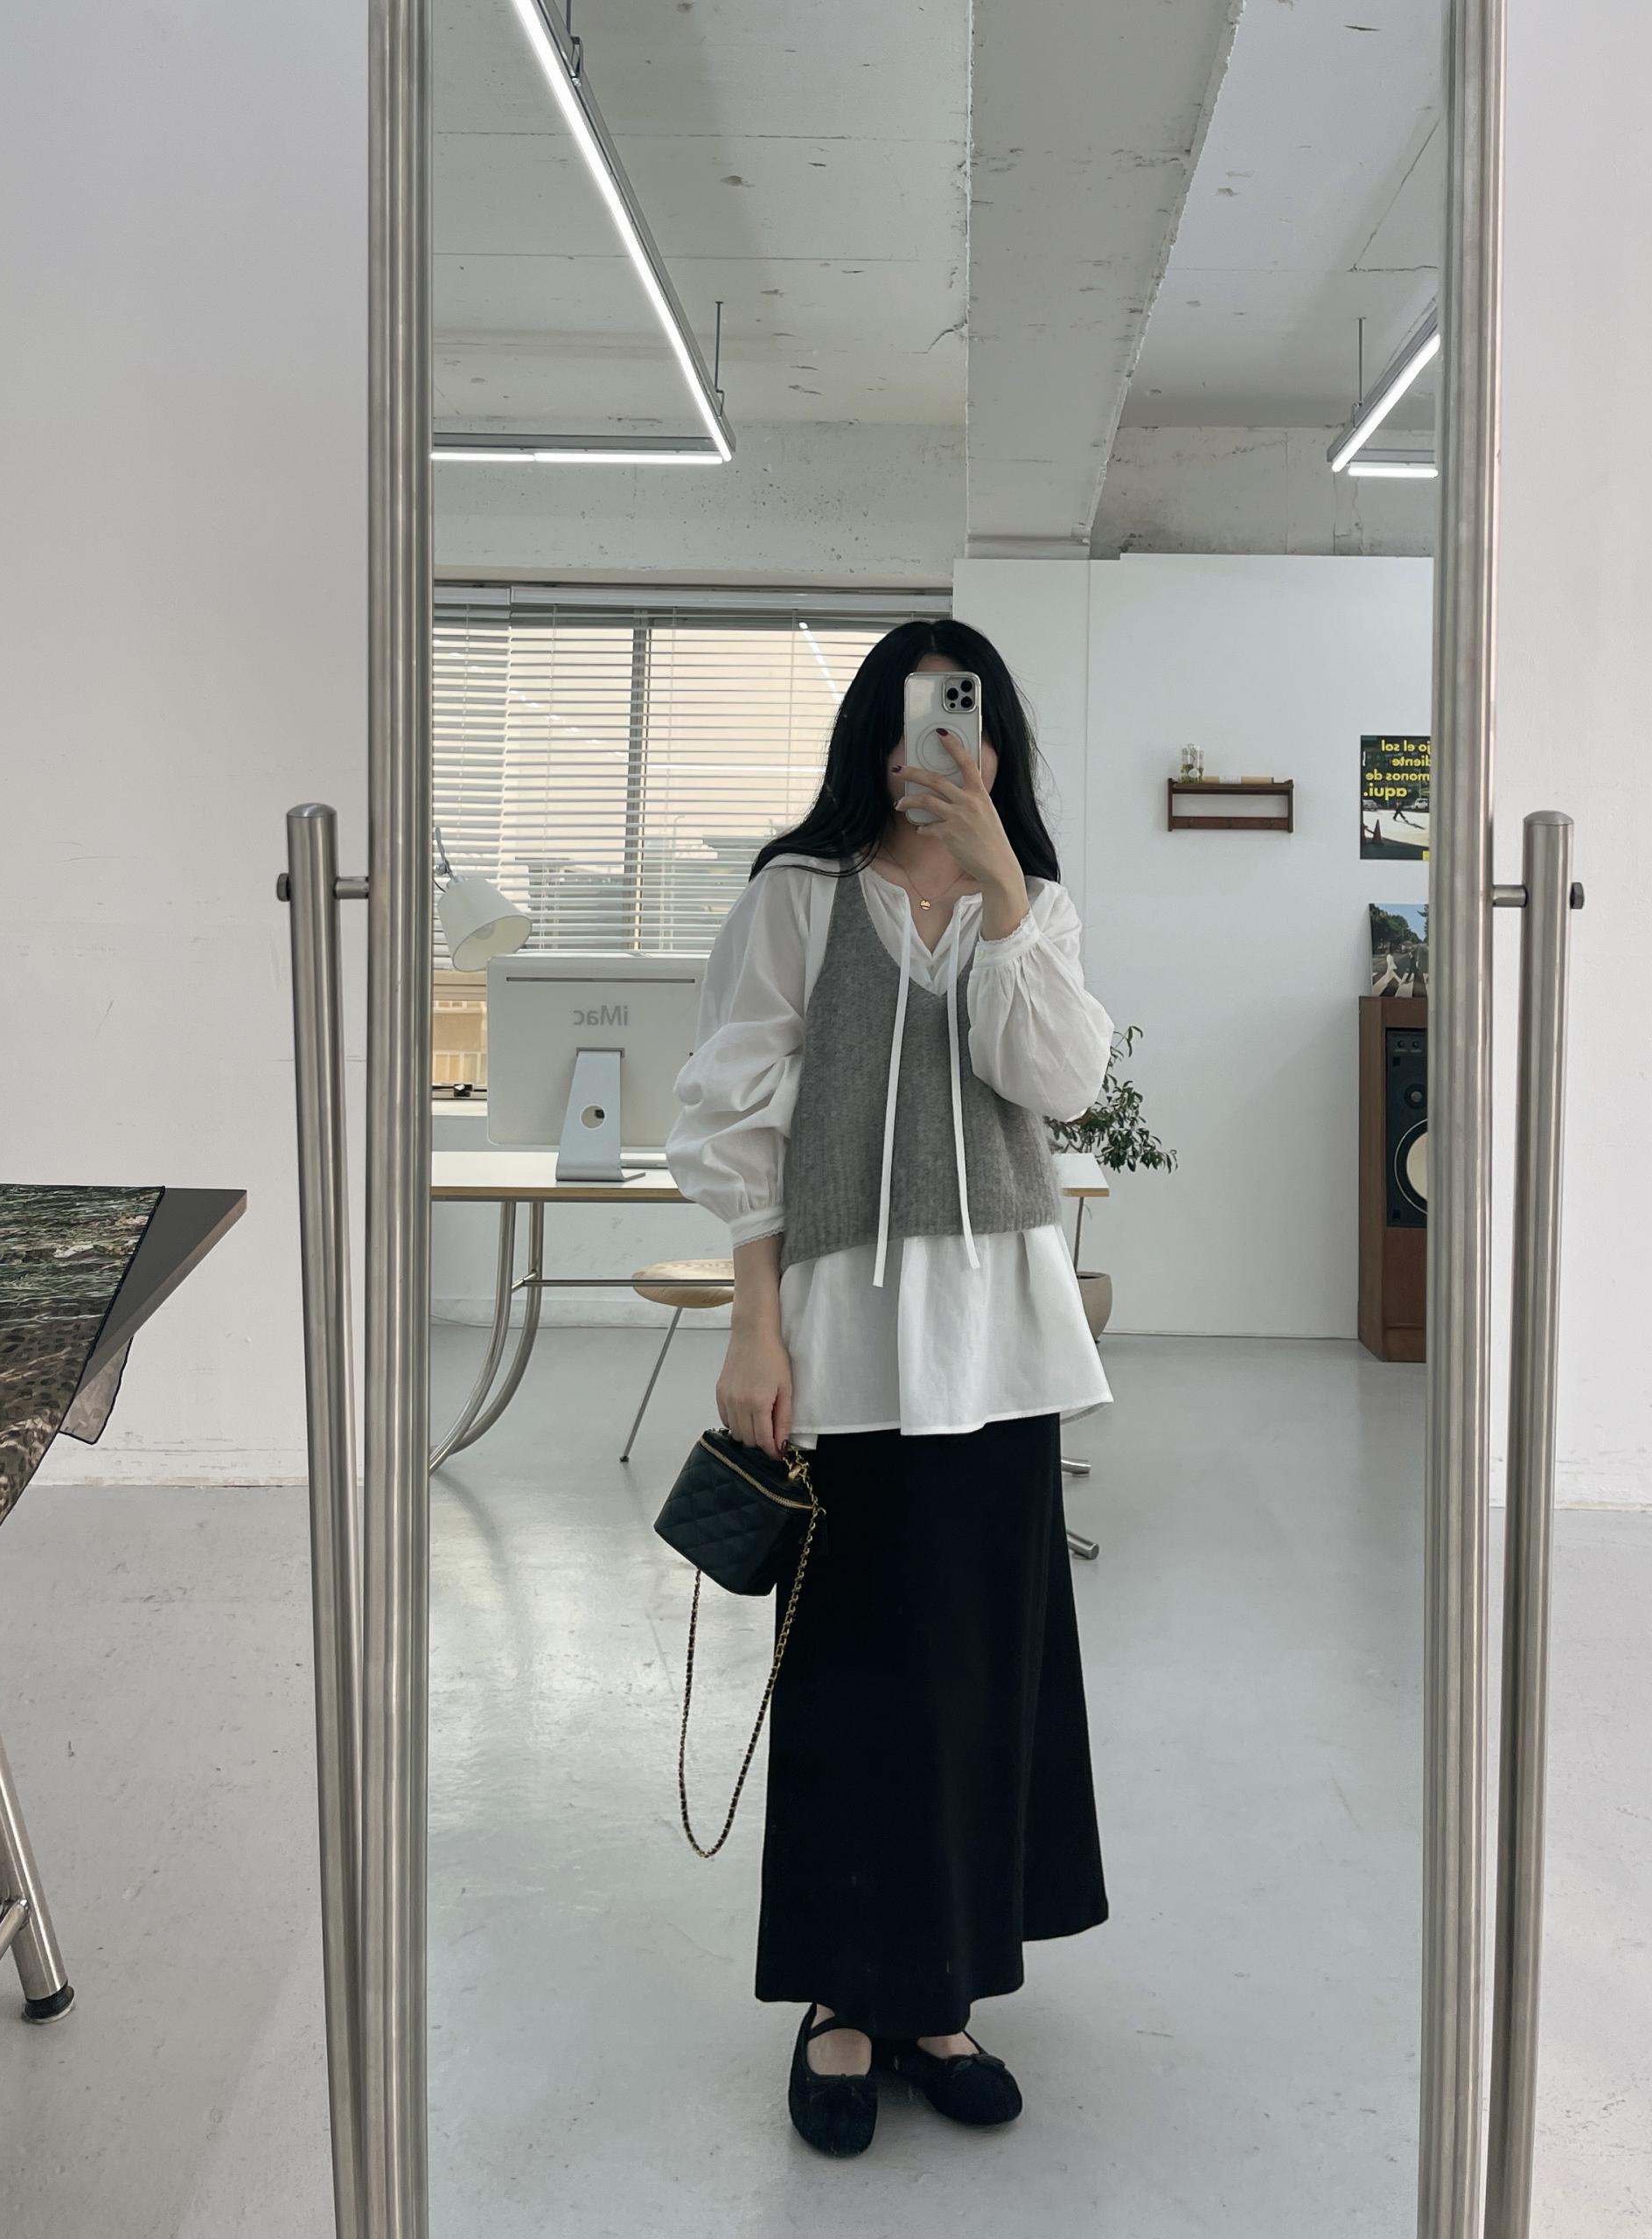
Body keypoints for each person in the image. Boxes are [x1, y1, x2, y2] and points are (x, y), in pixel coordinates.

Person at [666, 618, 1114, 2157]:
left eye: (965, 718)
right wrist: (753, 1328)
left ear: (997, 746)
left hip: (1001, 1344)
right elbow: (734, 1121)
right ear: (877, 733)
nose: (944, 744)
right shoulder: (795, 898)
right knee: (849, 1676)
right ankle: (841, 2003)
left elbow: (1060, 1086)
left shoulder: (1032, 905)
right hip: (843, 1340)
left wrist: (1002, 892)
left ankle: (942, 1999)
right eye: (920, 716)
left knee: (983, 1676)